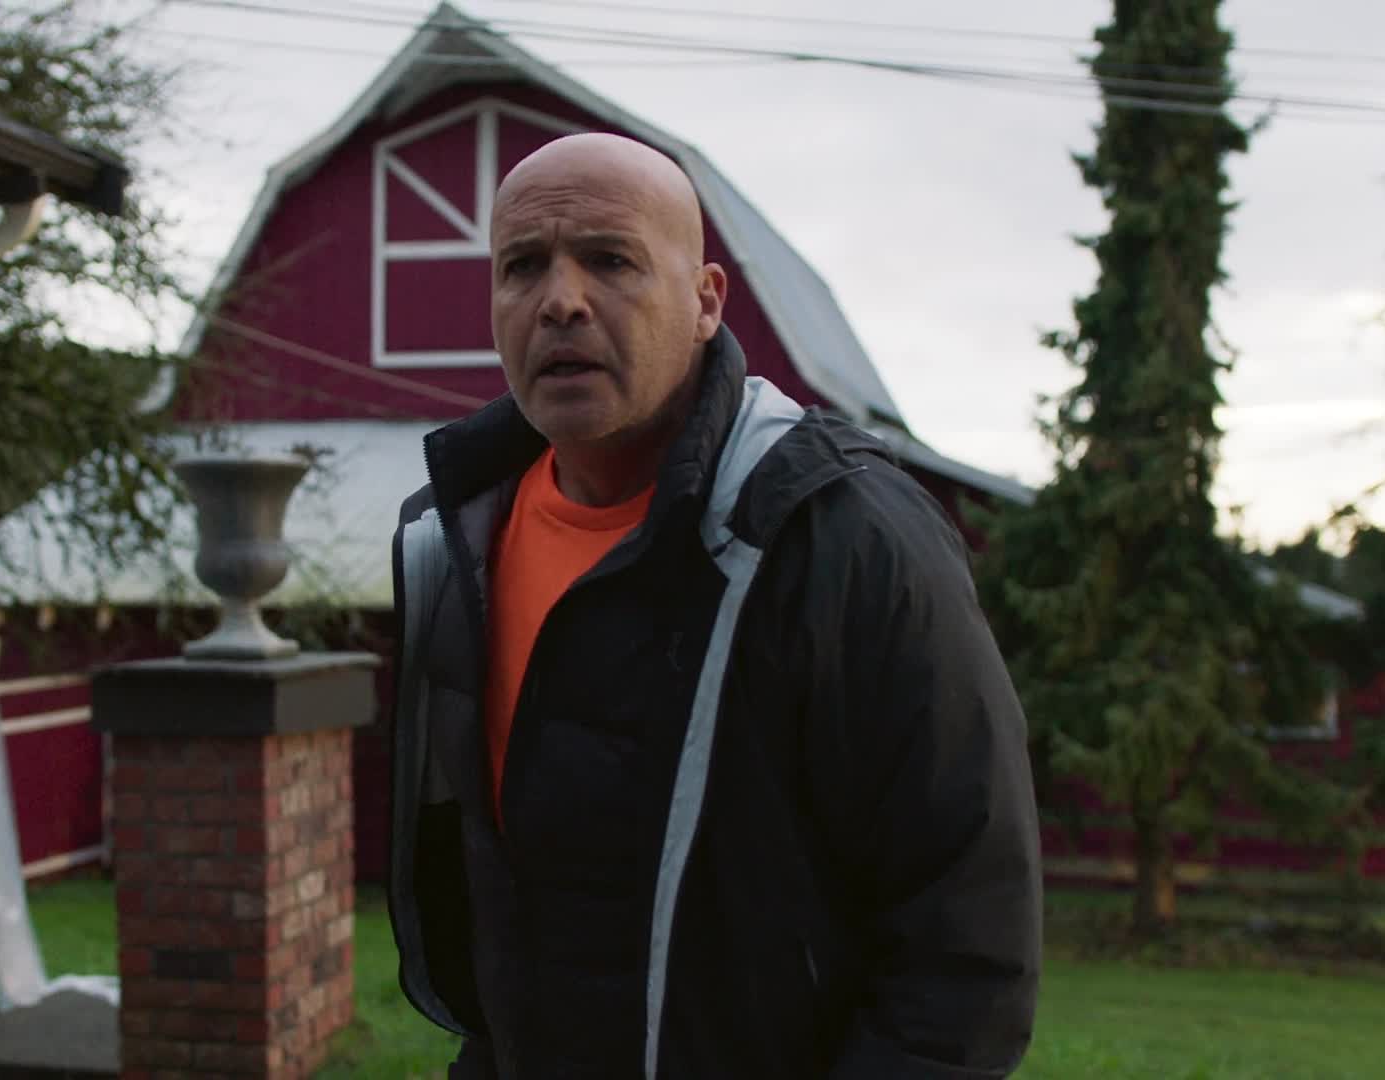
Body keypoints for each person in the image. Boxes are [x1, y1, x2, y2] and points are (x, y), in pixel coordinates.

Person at [385, 131, 1042, 1078]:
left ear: (705, 302)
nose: (561, 300)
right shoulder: (455, 542)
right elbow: (508, 909)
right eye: (522, 267)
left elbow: (965, 948)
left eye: (610, 260)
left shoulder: (843, 537)